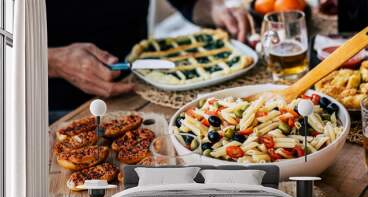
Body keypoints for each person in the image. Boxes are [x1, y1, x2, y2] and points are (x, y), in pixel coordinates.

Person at [47, 0, 251, 123]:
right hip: (49, 107)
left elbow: (191, 2)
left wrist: (216, 10)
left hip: (139, 87)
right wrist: (56, 61)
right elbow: (12, 42)